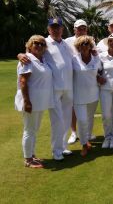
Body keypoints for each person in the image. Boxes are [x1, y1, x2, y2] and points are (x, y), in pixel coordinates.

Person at [18, 17, 73, 160]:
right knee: (58, 121)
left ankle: (63, 147)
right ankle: (56, 151)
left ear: (62, 29)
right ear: (48, 29)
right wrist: (21, 55)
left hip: (68, 87)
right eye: (52, 27)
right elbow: (29, 52)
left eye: (58, 27)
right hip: (54, 88)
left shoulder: (66, 44)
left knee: (66, 120)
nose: (55, 29)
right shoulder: (44, 42)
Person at [15, 35, 54, 168]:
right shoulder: (27, 59)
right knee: (29, 130)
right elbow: (23, 82)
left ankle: (31, 154)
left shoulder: (42, 60)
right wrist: (27, 101)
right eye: (35, 43)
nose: (38, 46)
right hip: (30, 101)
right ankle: (28, 159)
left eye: (42, 44)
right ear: (29, 45)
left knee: (34, 129)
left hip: (40, 101)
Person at [65, 19, 97, 145]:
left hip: (86, 76)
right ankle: (74, 132)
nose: (81, 30)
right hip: (73, 77)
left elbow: (95, 56)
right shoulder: (67, 41)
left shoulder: (91, 41)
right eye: (79, 28)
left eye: (83, 28)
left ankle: (87, 133)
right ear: (74, 29)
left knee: (88, 109)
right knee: (73, 108)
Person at [72, 36, 100, 156]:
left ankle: (87, 140)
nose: (84, 46)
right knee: (82, 120)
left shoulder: (96, 59)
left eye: (86, 44)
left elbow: (100, 72)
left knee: (89, 119)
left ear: (90, 46)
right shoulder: (73, 59)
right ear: (78, 47)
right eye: (82, 44)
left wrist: (100, 77)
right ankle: (84, 144)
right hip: (78, 96)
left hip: (93, 95)